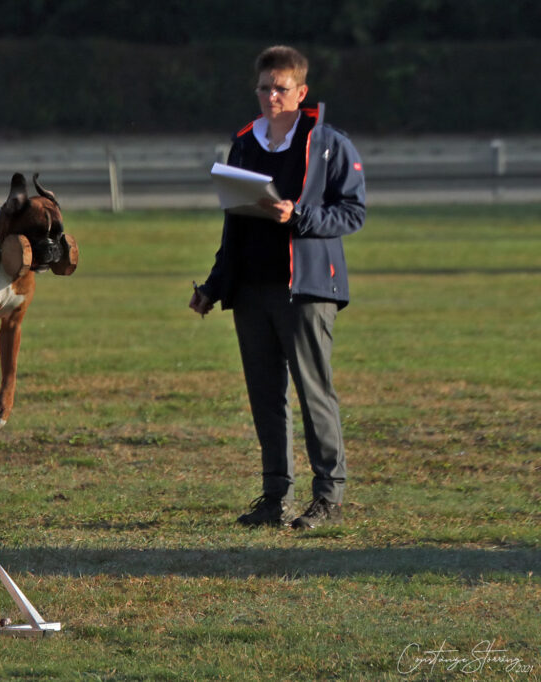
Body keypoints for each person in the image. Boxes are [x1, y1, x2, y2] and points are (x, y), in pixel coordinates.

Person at [190, 45, 366, 529]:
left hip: (307, 290)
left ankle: (327, 497)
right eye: (265, 88)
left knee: (314, 394)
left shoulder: (329, 143)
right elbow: (236, 225)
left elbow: (353, 212)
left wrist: (300, 216)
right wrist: (214, 286)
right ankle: (275, 498)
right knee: (265, 396)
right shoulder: (245, 142)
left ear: (301, 92)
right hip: (251, 291)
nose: (271, 96)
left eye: (281, 88)